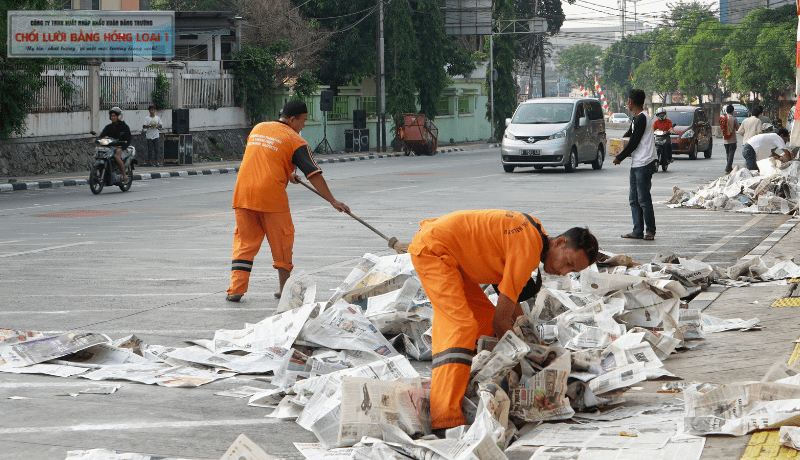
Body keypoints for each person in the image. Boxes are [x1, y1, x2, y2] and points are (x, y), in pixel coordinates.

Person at [407, 209, 598, 432]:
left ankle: (467, 385)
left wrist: (532, 342)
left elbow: (510, 301)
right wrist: (522, 359)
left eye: (571, 270)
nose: (564, 272)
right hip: (434, 251)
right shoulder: (528, 248)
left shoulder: (535, 235)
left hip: (453, 260)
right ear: (560, 243)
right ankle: (444, 417)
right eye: (567, 263)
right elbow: (502, 322)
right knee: (461, 326)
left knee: (484, 320)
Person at [226, 100, 350, 302]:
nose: (303, 126)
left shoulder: (258, 128)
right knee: (283, 242)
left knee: (244, 243)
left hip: (243, 195)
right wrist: (333, 201)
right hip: (271, 198)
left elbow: (265, 157)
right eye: (302, 121)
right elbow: (314, 174)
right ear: (292, 120)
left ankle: (236, 289)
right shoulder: (295, 140)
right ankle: (284, 288)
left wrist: (288, 173)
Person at [613, 89, 658, 241]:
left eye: (628, 100)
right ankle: (637, 231)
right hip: (637, 163)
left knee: (643, 199)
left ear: (631, 102)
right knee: (634, 199)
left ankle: (650, 231)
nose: (627, 103)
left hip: (644, 163)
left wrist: (620, 157)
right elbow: (628, 136)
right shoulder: (636, 119)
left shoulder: (642, 118)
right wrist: (615, 143)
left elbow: (634, 141)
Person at [98, 106, 131, 183]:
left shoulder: (124, 126)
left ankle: (124, 176)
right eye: (112, 116)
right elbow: (102, 135)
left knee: (116, 157)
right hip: (110, 148)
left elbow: (129, 139)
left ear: (118, 116)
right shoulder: (108, 127)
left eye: (115, 116)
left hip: (121, 148)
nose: (113, 117)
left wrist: (122, 148)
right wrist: (97, 139)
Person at [720, 104, 740, 173]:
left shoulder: (723, 118)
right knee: (731, 154)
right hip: (732, 139)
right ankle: (727, 168)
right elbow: (738, 128)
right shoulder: (734, 119)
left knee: (728, 154)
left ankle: (729, 167)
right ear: (733, 111)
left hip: (725, 139)